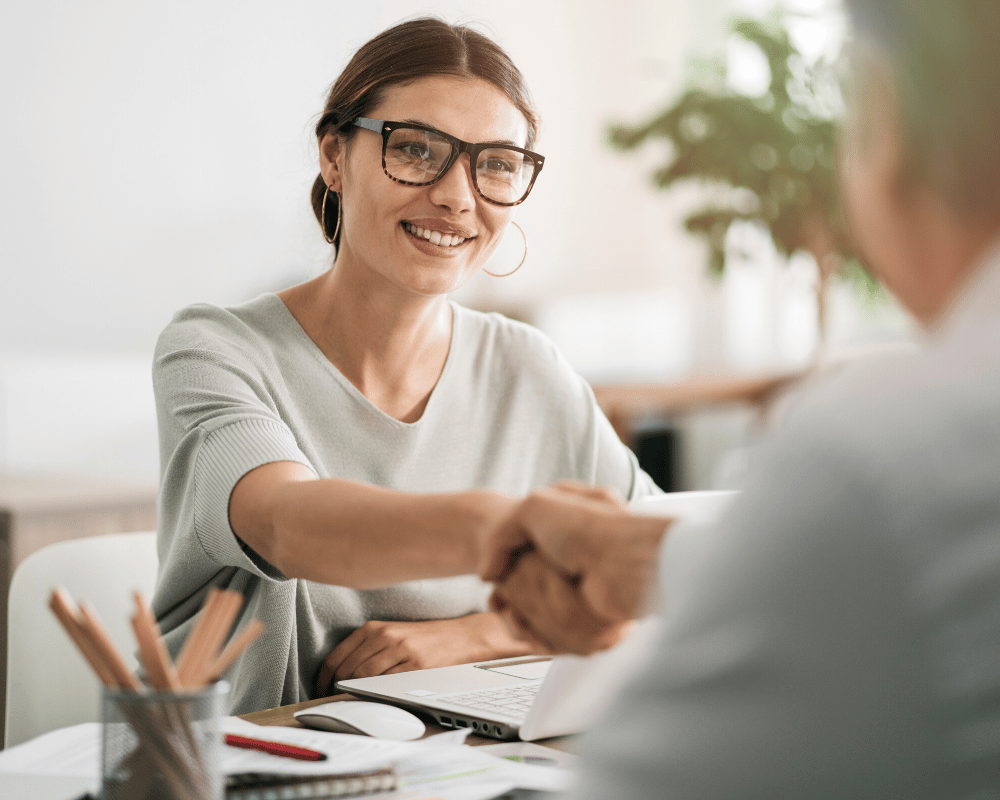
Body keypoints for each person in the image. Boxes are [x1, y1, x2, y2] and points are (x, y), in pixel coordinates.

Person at [482, 1, 1000, 797]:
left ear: (882, 119)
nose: (457, 196)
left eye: (495, 163)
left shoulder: (882, 456)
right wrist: (656, 561)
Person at [151, 17, 658, 714]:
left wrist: (482, 633)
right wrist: (508, 532)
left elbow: (647, 573)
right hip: (251, 762)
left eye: (497, 164)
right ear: (334, 156)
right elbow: (286, 524)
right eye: (417, 150)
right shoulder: (216, 348)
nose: (457, 196)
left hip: (458, 764)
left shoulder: (527, 366)